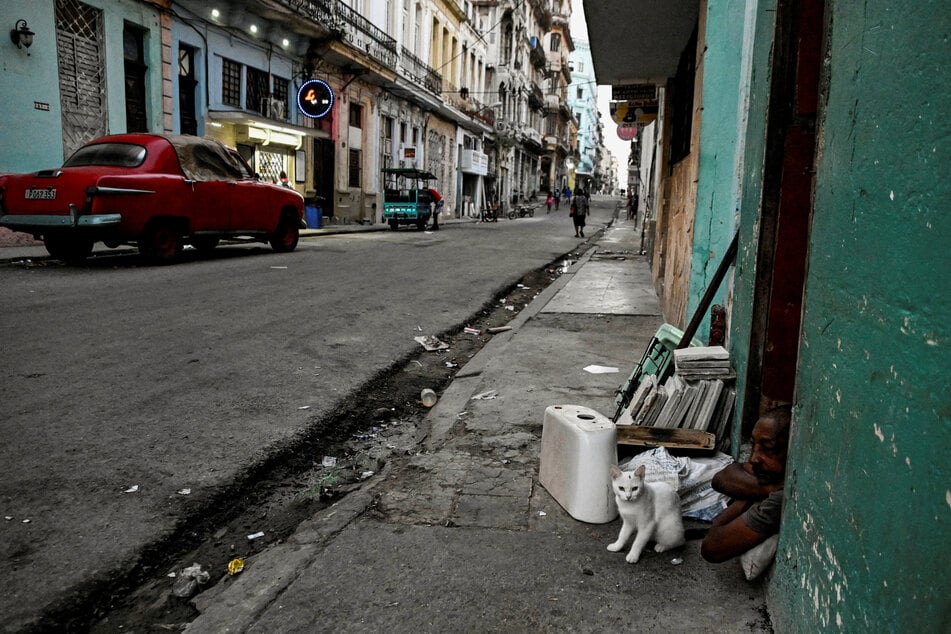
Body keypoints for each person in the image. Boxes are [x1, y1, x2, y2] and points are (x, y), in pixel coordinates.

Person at [701, 405, 792, 564]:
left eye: (768, 448)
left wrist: (745, 498)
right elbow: (722, 478)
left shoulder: (779, 500)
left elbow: (712, 547)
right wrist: (765, 489)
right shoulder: (773, 475)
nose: (753, 458)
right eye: (753, 445)